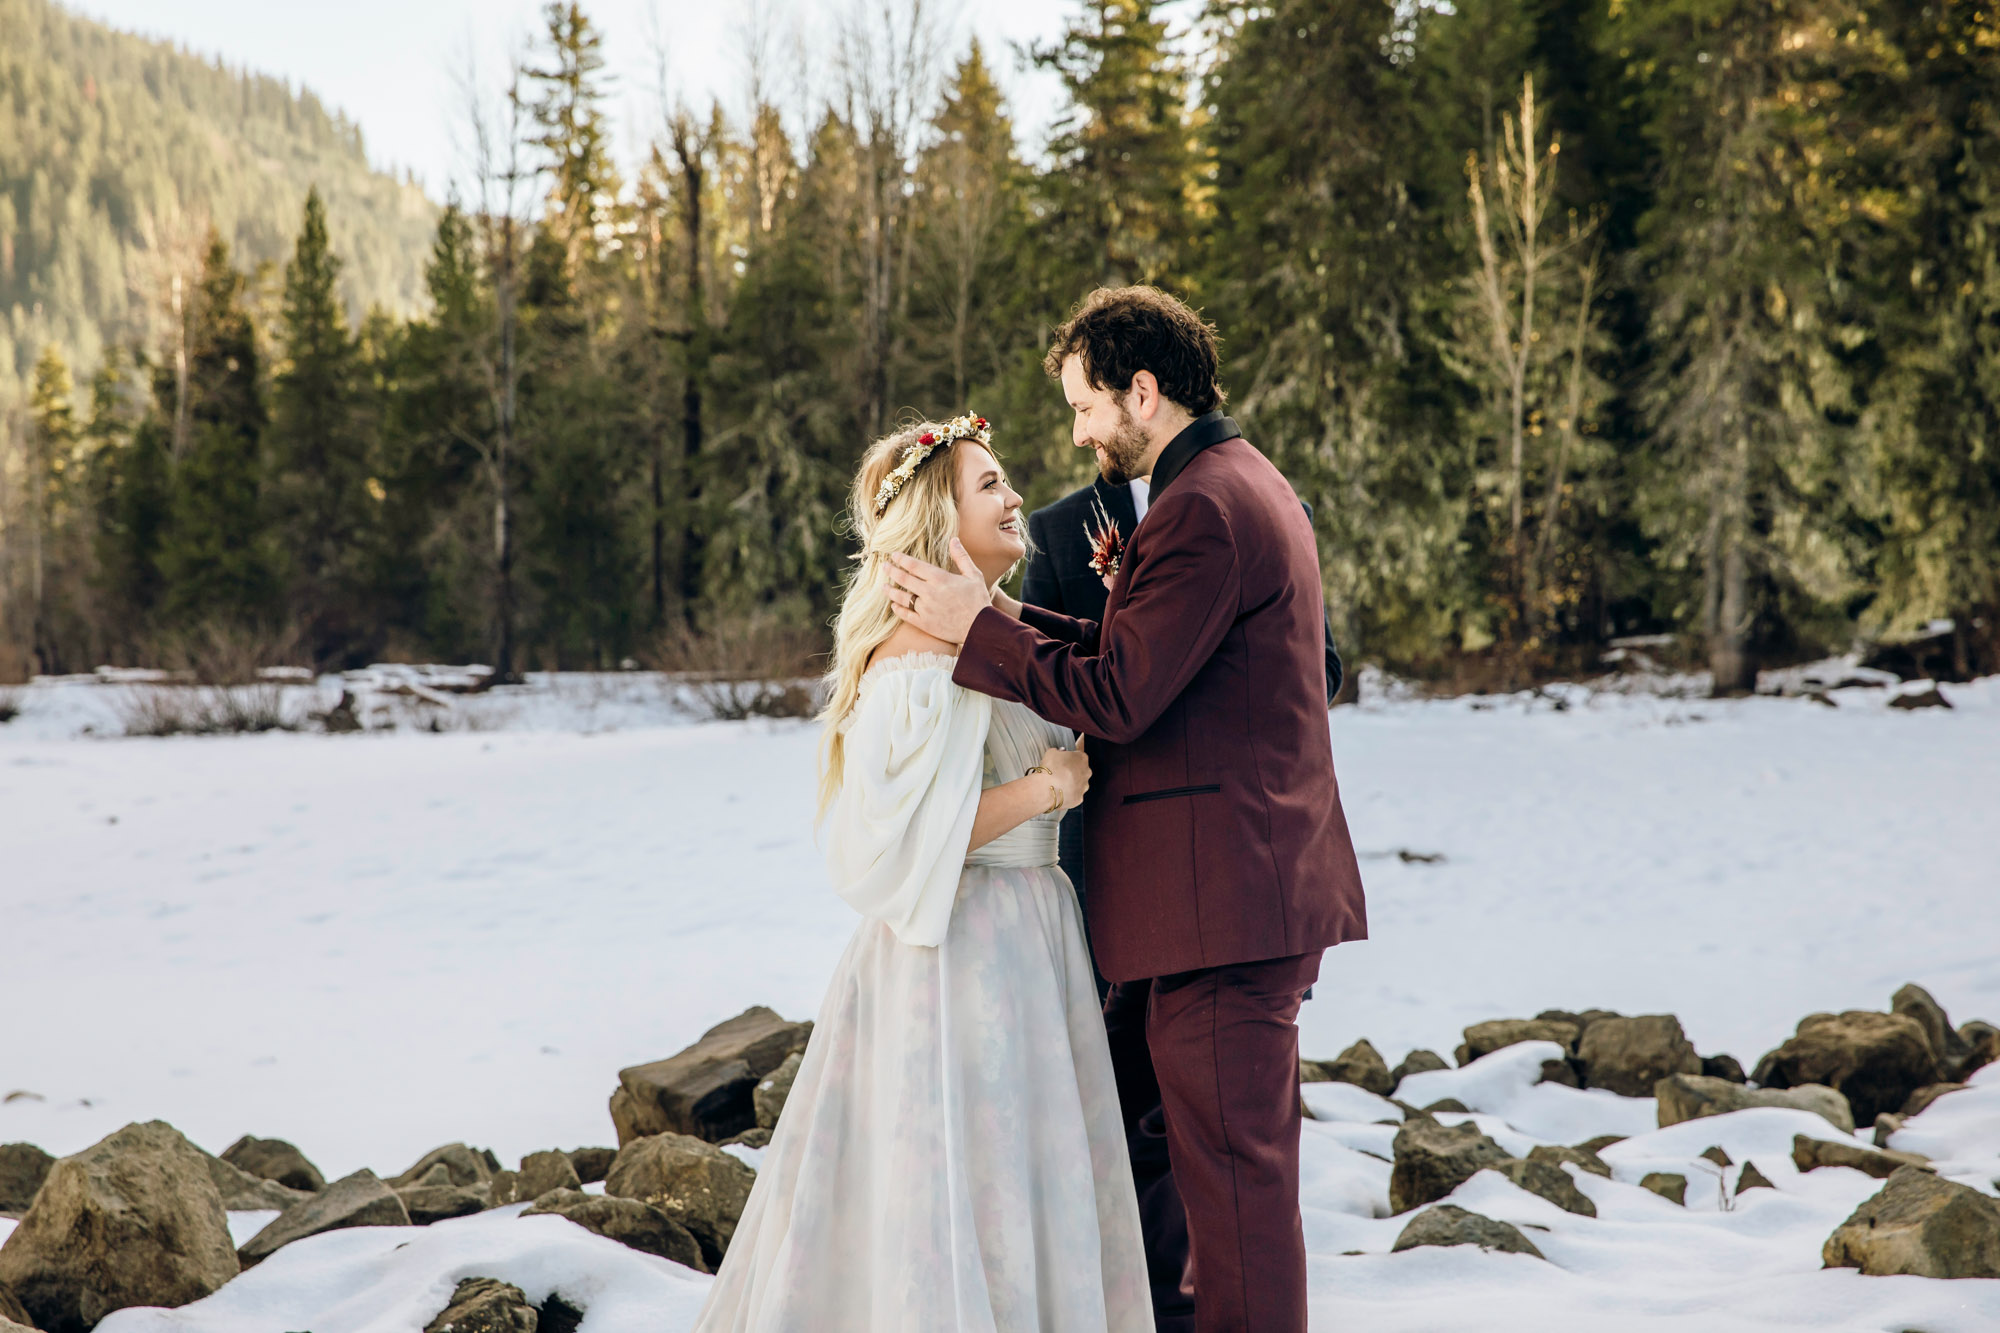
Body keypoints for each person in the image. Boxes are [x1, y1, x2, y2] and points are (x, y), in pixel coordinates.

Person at [884, 286, 1369, 1333]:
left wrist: (978, 629)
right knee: (1202, 1177)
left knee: (1237, 1207)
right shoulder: (1237, 484)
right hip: (1220, 902)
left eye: (1084, 407)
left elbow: (1116, 693)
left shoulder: (1201, 507)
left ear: (1141, 393)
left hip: (1224, 907)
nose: (1076, 433)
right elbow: (1136, 652)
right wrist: (1006, 612)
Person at [691, 413, 1152, 1333]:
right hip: (960, 954)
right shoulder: (914, 662)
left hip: (1033, 935)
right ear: (942, 521)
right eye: (990, 485)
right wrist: (1045, 788)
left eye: (1005, 477)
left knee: (1027, 1172)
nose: (1016, 495)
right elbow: (906, 840)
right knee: (965, 1183)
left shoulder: (988, 632)